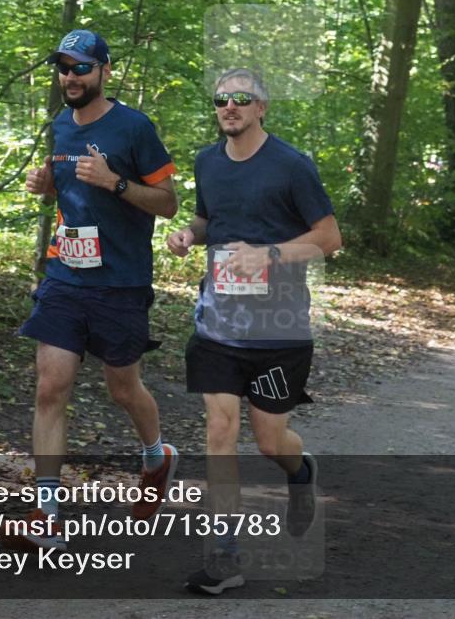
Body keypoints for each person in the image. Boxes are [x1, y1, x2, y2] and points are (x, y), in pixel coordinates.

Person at [166, 67, 342, 595]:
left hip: (279, 329)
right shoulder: (206, 161)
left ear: (262, 107)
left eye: (241, 99)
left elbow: (330, 239)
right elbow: (207, 218)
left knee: (269, 440)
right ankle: (225, 554)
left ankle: (300, 469)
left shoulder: (291, 166)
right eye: (221, 99)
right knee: (220, 429)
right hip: (218, 322)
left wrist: (267, 255)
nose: (229, 107)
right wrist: (188, 235)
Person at [3, 30, 180, 551]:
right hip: (65, 277)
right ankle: (47, 510)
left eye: (81, 68)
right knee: (49, 385)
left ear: (104, 71)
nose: (70, 77)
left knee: (122, 388)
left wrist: (116, 183)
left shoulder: (133, 127)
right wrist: (48, 185)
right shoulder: (60, 124)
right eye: (63, 67)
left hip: (121, 283)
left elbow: (167, 203)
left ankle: (157, 456)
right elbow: (69, 188)